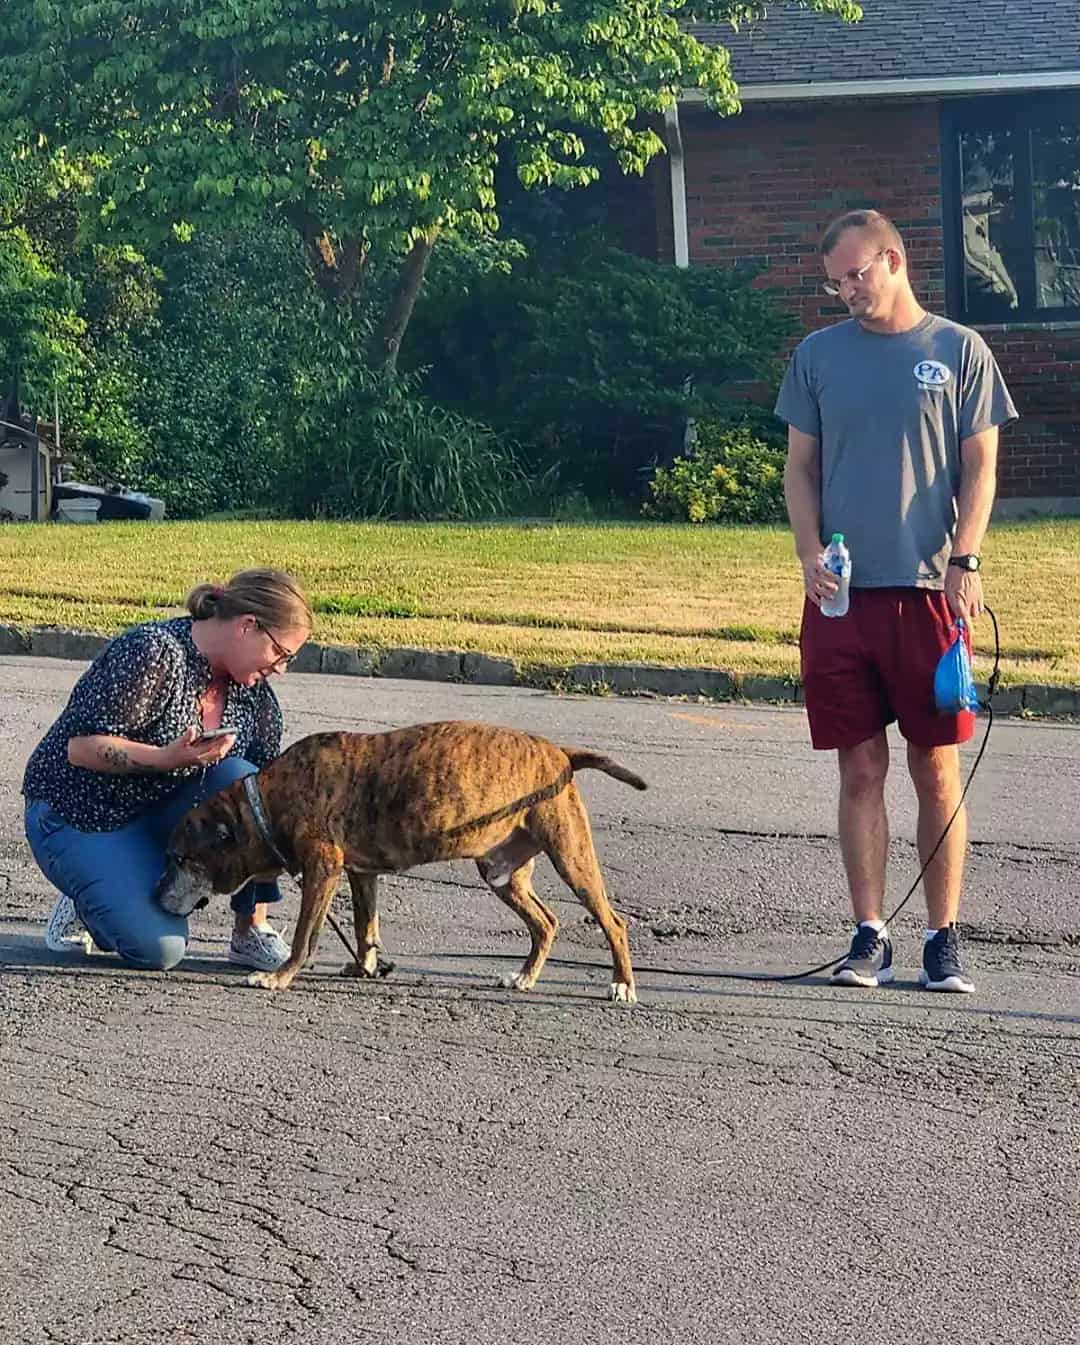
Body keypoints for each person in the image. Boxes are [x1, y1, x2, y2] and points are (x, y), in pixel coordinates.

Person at [777, 209, 1018, 994]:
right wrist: (810, 552)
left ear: (892, 259)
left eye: (854, 274)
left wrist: (967, 557)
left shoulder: (958, 352)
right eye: (834, 281)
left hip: (929, 594)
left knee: (936, 765)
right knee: (859, 766)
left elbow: (980, 468)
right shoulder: (818, 358)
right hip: (843, 597)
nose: (844, 290)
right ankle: (867, 934)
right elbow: (800, 470)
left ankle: (943, 939)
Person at [23, 568, 314, 972]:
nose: (281, 668)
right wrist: (166, 758)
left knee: (256, 788)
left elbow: (263, 812)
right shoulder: (154, 653)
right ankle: (87, 897)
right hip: (77, 813)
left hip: (157, 812)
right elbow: (79, 748)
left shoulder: (256, 700)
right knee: (159, 949)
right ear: (248, 626)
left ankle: (248, 934)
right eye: (282, 654)